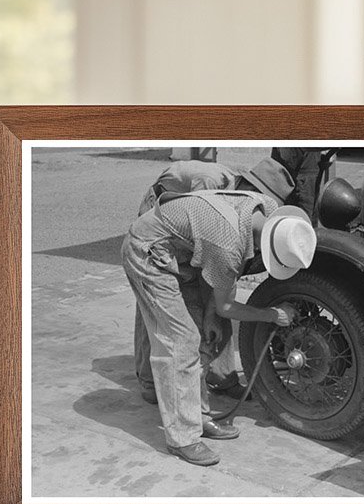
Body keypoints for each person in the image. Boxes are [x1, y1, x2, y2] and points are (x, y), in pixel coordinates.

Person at [122, 191, 316, 466]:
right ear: (266, 248)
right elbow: (227, 305)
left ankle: (198, 418)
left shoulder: (268, 208)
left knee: (203, 334)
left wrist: (211, 315)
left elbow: (222, 285)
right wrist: (271, 314)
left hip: (182, 252)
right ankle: (183, 439)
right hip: (148, 252)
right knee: (181, 340)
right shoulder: (228, 245)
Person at [133, 157, 295, 403]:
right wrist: (269, 313)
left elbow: (223, 284)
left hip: (196, 233)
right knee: (156, 305)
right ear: (250, 188)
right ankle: (149, 379)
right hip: (156, 220)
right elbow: (212, 251)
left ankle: (222, 376)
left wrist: (216, 304)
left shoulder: (244, 211)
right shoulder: (210, 185)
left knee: (218, 291)